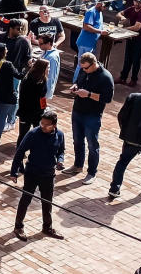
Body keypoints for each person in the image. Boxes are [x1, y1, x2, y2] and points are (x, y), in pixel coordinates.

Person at [10, 110, 66, 241]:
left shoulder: (60, 135)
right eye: (42, 123)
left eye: (47, 125)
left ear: (54, 125)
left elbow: (61, 151)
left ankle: (47, 227)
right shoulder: (33, 134)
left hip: (48, 174)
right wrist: (14, 172)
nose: (43, 126)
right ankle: (18, 226)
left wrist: (60, 160)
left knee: (47, 202)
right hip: (32, 173)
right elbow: (20, 152)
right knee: (26, 199)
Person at [64, 51, 114, 184]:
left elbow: (108, 99)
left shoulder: (105, 77)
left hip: (92, 115)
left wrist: (89, 94)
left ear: (94, 64)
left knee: (92, 144)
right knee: (77, 140)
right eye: (82, 68)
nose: (84, 70)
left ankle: (92, 172)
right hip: (78, 111)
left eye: (86, 68)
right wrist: (75, 86)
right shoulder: (83, 70)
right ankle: (78, 165)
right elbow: (78, 81)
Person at [73, 0, 110, 84]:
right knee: (81, 65)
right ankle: (75, 83)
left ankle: (82, 83)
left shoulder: (99, 12)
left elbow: (97, 25)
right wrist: (101, 32)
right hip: (85, 43)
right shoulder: (91, 11)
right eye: (105, 7)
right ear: (101, 4)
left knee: (88, 64)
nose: (105, 9)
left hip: (91, 43)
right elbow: (86, 26)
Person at [116, 0, 141, 87]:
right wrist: (122, 18)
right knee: (127, 58)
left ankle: (134, 80)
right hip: (131, 37)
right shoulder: (131, 9)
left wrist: (124, 29)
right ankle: (123, 77)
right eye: (136, 1)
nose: (138, 4)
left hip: (140, 40)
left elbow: (137, 27)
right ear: (134, 1)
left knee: (136, 60)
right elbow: (119, 13)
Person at [15, 59, 49, 149]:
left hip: (28, 112)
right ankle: (28, 151)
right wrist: (44, 108)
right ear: (42, 68)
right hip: (32, 112)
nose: (48, 69)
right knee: (32, 133)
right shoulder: (39, 81)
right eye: (47, 67)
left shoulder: (29, 77)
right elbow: (42, 97)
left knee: (24, 134)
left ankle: (23, 151)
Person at [39, 32, 61, 103]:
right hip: (40, 86)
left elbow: (51, 76)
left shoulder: (52, 57)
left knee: (41, 107)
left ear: (48, 43)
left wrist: (46, 92)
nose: (39, 45)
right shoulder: (46, 51)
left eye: (41, 44)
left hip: (44, 89)